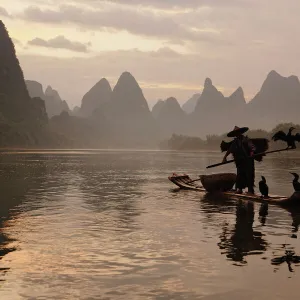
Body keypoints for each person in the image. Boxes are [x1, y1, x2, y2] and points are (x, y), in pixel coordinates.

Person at [222, 126, 256, 194]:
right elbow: (230, 150)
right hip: (240, 161)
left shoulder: (246, 139)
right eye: (236, 134)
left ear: (241, 133)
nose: (237, 135)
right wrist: (225, 157)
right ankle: (239, 189)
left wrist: (252, 153)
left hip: (248, 160)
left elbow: (252, 147)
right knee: (240, 175)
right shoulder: (235, 141)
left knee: (249, 175)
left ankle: (250, 191)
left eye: (238, 133)